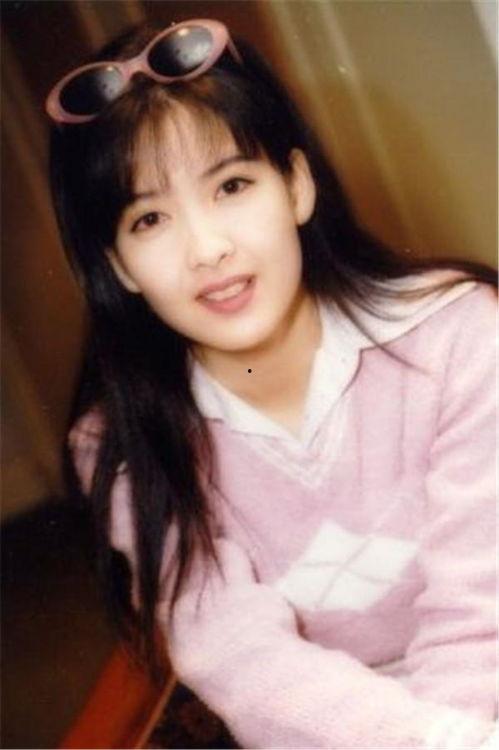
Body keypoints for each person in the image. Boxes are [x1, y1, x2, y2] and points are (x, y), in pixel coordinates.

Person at [46, 18, 497, 749]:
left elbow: (482, 610)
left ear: (295, 186)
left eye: (231, 186)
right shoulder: (122, 443)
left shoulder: (457, 333)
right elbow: (240, 659)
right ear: (119, 265)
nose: (207, 248)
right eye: (150, 218)